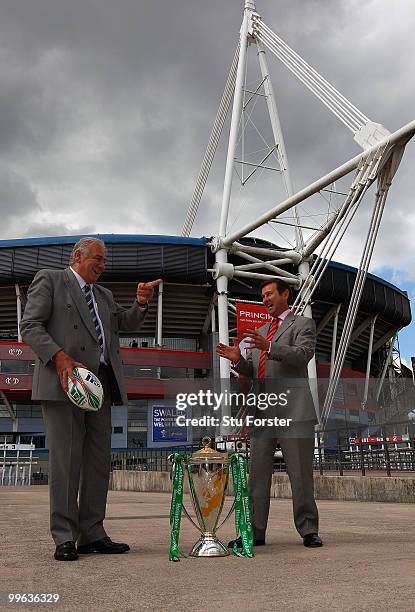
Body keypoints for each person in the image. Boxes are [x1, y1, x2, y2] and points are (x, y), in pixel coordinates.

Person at [20, 237, 161, 561]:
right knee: (66, 463)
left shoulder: (104, 295)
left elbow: (123, 324)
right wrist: (59, 357)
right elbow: (29, 325)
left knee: (98, 464)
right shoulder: (52, 280)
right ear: (78, 256)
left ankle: (92, 533)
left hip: (99, 388)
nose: (103, 265)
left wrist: (140, 303)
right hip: (65, 384)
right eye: (98, 258)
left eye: (105, 261)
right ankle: (65, 536)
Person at [216, 279, 322, 548]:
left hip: (294, 410)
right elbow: (252, 371)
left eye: (269, 294)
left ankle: (308, 529)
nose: (264, 299)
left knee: (300, 473)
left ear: (285, 294)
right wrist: (238, 360)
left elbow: (302, 355)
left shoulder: (302, 324)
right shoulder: (261, 331)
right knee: (258, 475)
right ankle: (254, 532)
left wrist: (270, 347)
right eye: (262, 295)